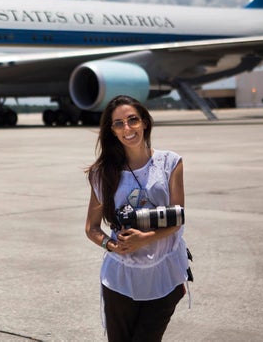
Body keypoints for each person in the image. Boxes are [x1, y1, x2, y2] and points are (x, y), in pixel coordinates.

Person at [85, 95, 189, 342]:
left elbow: (177, 217)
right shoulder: (103, 173)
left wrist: (146, 238)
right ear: (112, 131)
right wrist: (112, 245)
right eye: (119, 123)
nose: (127, 128)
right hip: (121, 278)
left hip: (164, 273)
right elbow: (92, 228)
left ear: (144, 122)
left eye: (133, 120)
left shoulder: (170, 163)